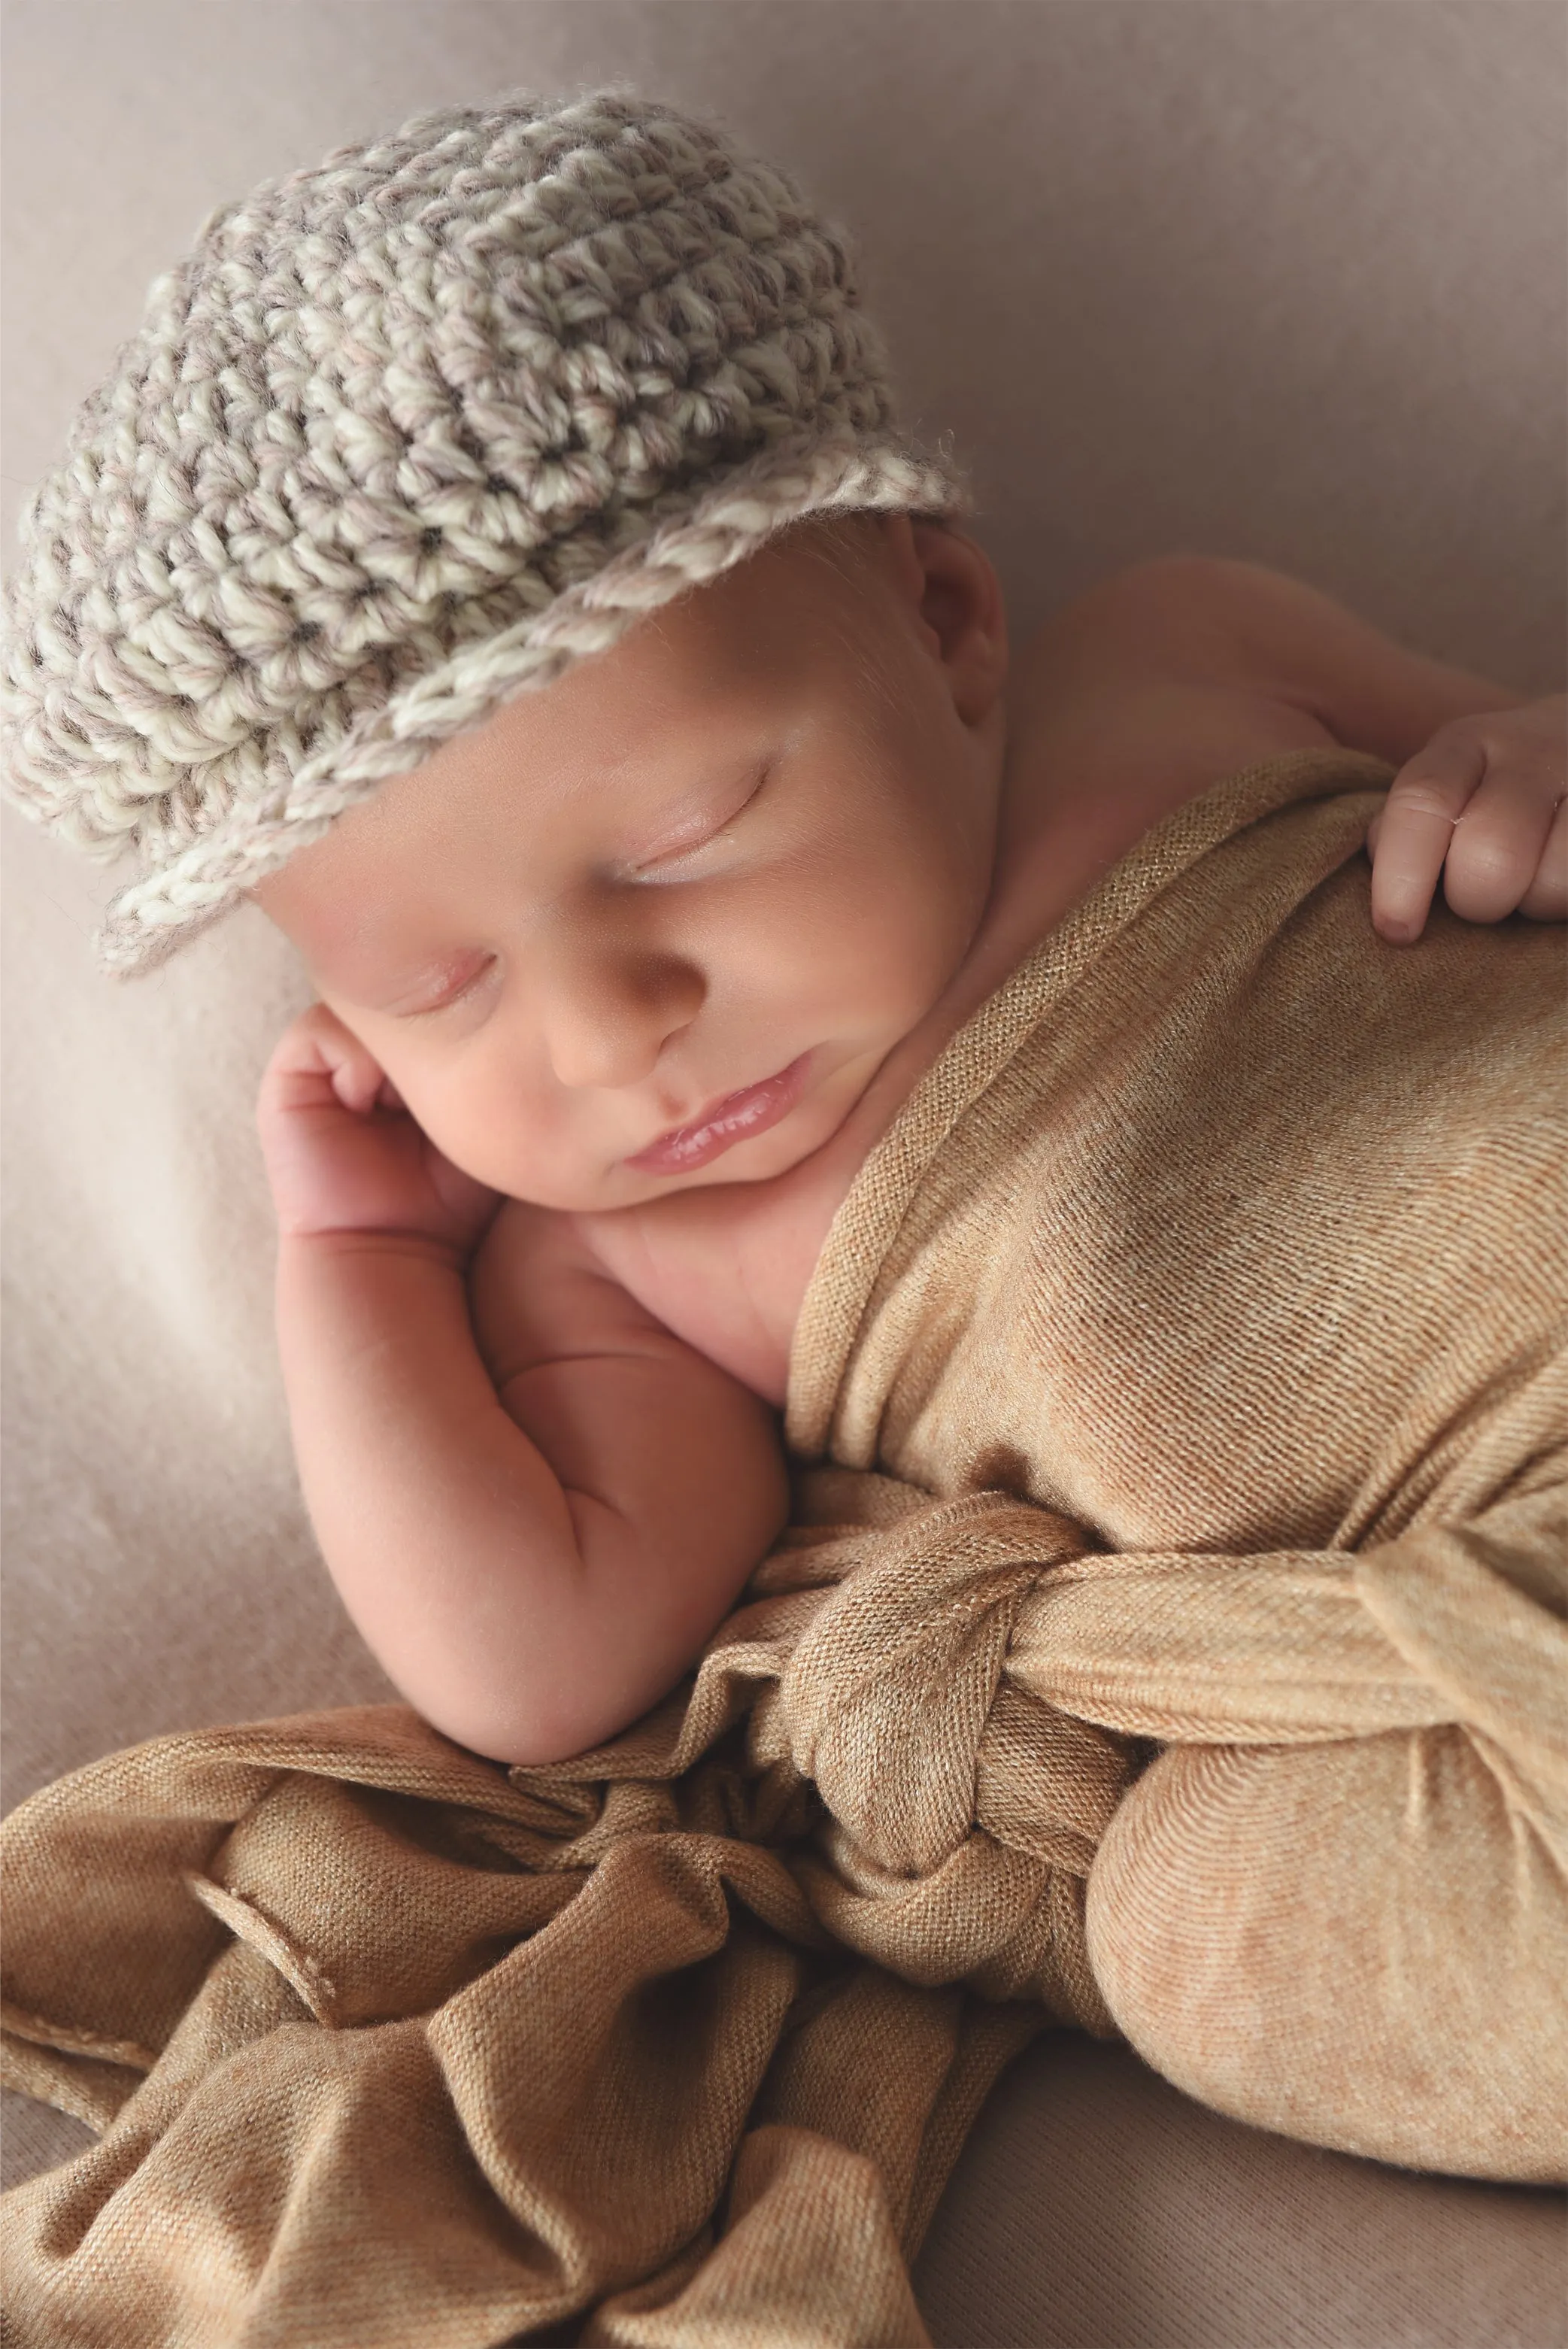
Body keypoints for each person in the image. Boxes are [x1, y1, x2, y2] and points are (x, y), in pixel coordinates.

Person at [3, 88, 1562, 1774]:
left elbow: (1516, 756)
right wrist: (360, 1263)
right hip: (1417, 1639)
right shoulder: (620, 1262)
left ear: (947, 622)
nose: (611, 1030)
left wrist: (1525, 758)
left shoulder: (1183, 661)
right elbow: (540, 1663)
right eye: (436, 987)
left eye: (686, 839)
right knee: (1197, 1921)